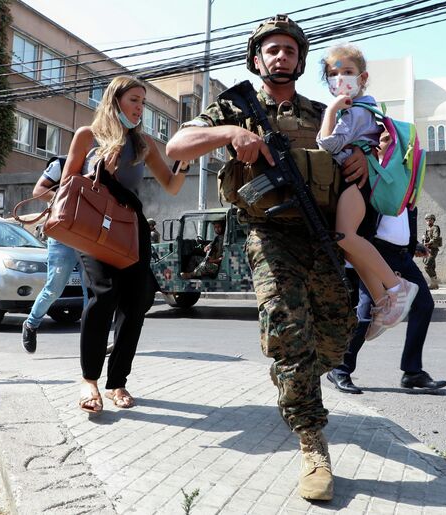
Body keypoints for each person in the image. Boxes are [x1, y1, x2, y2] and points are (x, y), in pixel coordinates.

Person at [166, 14, 365, 502]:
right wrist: (231, 133)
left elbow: (355, 154)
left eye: (289, 50)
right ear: (257, 60)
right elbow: (176, 145)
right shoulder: (235, 108)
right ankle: (313, 442)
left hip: (321, 236)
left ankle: (291, 374)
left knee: (337, 332)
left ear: (299, 61)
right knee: (287, 325)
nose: (281, 56)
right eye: (271, 50)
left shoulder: (324, 112)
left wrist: (361, 158)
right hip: (268, 232)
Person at [60, 75, 187, 414]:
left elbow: (172, 185)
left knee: (136, 302)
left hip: (130, 227)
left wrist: (186, 160)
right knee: (104, 294)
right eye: (134, 100)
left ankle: (118, 382)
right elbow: (67, 183)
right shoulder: (88, 136)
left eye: (143, 102)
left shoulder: (144, 143)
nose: (139, 107)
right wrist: (100, 169)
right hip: (92, 227)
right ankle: (90, 380)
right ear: (115, 100)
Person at [316, 43, 418, 340]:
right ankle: (383, 301)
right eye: (333, 74)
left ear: (363, 77)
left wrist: (332, 111)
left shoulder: (357, 109)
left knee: (346, 236)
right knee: (350, 244)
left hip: (356, 183)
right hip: (358, 183)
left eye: (347, 72)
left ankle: (397, 288)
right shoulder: (362, 107)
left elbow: (329, 145)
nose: (340, 79)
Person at [327, 205, 446, 395]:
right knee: (367, 314)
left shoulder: (409, 187)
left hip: (402, 255)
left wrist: (413, 244)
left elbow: (398, 223)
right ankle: (340, 369)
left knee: (424, 304)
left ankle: (412, 372)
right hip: (376, 252)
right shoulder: (379, 179)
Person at [21, 156, 88, 354]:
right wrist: (67, 200)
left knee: (90, 290)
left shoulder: (100, 163)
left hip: (87, 236)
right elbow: (38, 190)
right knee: (54, 288)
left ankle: (91, 337)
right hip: (61, 235)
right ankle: (31, 324)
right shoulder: (60, 163)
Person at [422, 213, 441, 290]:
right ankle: (435, 284)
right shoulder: (427, 229)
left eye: (430, 220)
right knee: (432, 267)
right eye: (427, 220)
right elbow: (425, 238)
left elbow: (436, 237)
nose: (428, 221)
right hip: (428, 249)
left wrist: (428, 242)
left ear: (433, 220)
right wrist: (424, 238)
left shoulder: (435, 228)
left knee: (427, 267)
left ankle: (435, 282)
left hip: (433, 250)